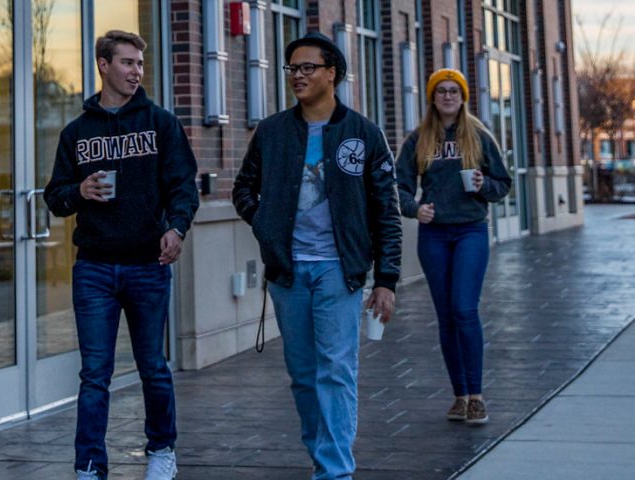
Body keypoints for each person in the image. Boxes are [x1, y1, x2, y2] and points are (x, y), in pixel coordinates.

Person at [232, 32, 402, 479]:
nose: (298, 76)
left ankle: (335, 472)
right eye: (292, 68)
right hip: (288, 274)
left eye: (308, 67)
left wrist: (386, 278)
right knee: (305, 376)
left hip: (338, 272)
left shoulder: (362, 133)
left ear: (333, 73)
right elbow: (243, 188)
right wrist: (265, 224)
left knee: (336, 372)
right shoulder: (271, 132)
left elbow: (387, 209)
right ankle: (322, 457)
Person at [44, 30, 199, 480]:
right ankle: (89, 464)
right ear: (103, 65)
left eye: (140, 63)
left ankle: (161, 451)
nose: (136, 72)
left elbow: (182, 187)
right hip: (93, 267)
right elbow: (55, 197)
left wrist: (177, 228)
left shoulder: (161, 124)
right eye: (127, 62)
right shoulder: (78, 133)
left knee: (153, 366)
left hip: (148, 265)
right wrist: (80, 190)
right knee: (95, 374)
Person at [395, 68, 511, 425]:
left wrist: (481, 185)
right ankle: (458, 396)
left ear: (463, 97)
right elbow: (397, 189)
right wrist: (416, 208)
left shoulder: (478, 135)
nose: (447, 96)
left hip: (470, 232)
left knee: (464, 309)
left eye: (454, 91)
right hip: (434, 237)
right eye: (441, 91)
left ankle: (476, 396)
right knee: (446, 316)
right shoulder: (418, 140)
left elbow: (503, 183)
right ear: (432, 97)